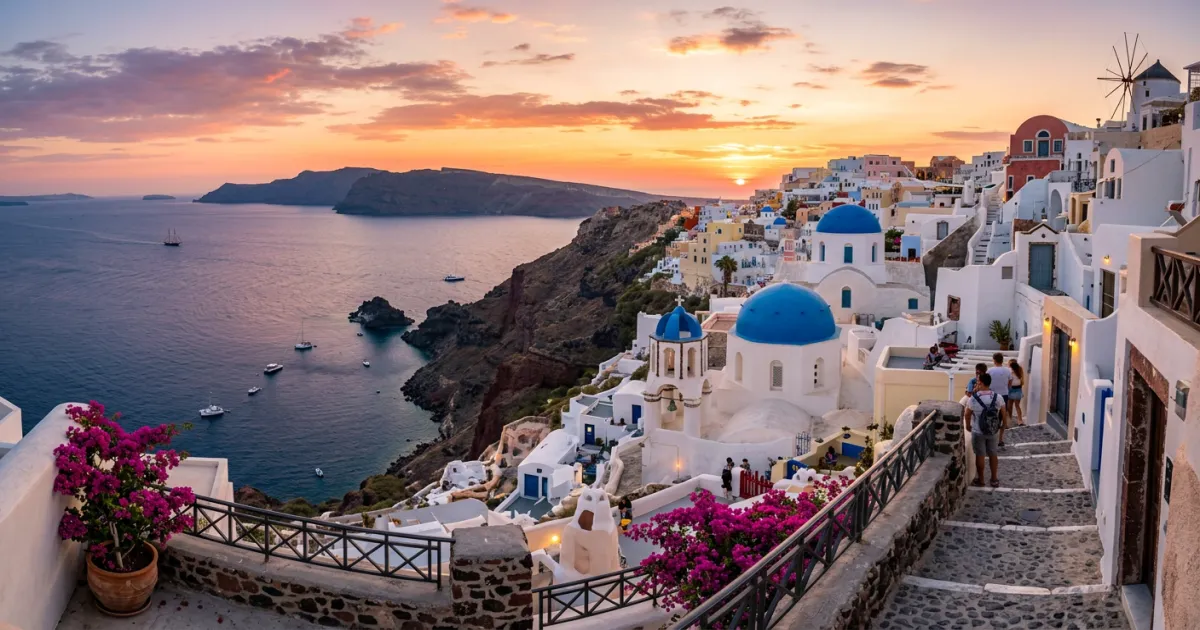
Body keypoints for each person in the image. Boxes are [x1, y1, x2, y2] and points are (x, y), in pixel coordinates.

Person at [964, 373, 1006, 488]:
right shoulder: (998, 397)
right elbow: (1003, 413)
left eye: (978, 382)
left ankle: (981, 480)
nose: (976, 384)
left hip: (978, 431)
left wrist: (968, 426)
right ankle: (994, 479)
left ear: (981, 383)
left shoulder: (973, 399)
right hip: (993, 430)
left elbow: (967, 414)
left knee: (980, 455)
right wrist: (1002, 426)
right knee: (993, 454)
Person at [987, 353, 1013, 447]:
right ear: (1002, 360)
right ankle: (1000, 439)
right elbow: (1010, 383)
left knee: (991, 417)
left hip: (992, 396)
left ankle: (991, 438)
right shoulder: (1008, 370)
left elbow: (987, 383)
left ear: (994, 360)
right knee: (1002, 417)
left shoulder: (990, 371)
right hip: (1004, 395)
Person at [1007, 359, 1025, 426]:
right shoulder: (1019, 370)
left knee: (1010, 406)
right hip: (1018, 389)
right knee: (1017, 405)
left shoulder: (1010, 371)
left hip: (1011, 389)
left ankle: (1009, 420)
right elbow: (1022, 380)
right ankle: (1020, 420)